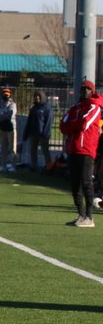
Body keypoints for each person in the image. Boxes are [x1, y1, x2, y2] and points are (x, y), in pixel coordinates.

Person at [59, 79, 102, 228]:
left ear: (92, 91)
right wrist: (74, 124)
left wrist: (73, 124)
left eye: (88, 89)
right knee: (74, 184)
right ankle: (81, 214)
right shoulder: (75, 108)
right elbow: (62, 126)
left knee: (86, 182)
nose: (85, 92)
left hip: (86, 149)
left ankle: (89, 217)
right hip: (73, 149)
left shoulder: (94, 107)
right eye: (83, 89)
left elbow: (85, 124)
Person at [22, 91, 53, 172]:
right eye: (35, 96)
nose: (37, 98)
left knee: (45, 150)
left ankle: (49, 167)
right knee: (33, 150)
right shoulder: (33, 109)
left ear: (42, 97)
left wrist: (46, 132)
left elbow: (49, 121)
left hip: (43, 134)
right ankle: (33, 166)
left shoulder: (47, 108)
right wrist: (26, 133)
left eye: (38, 96)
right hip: (33, 133)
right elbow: (29, 122)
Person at [0, 88, 18, 173]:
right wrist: (3, 114)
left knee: (12, 148)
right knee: (3, 148)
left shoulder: (13, 104)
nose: (6, 96)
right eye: (4, 94)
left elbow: (10, 114)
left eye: (7, 94)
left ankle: (13, 166)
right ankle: (2, 165)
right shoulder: (0, 104)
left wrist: (2, 114)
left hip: (11, 128)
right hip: (2, 128)